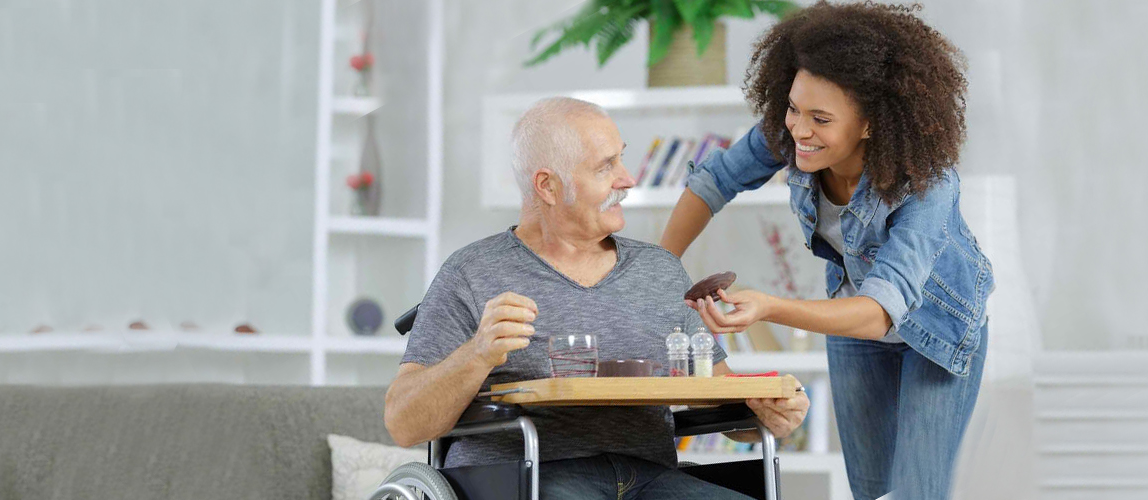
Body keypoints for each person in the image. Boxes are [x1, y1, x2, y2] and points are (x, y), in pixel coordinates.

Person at [382, 97, 810, 499]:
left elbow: (718, 398)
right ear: (548, 187)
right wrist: (476, 354)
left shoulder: (659, 271)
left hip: (651, 475)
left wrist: (764, 417)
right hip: (529, 474)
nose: (628, 179)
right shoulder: (472, 273)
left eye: (621, 158)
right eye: (607, 166)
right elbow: (403, 423)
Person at [659, 3, 992, 499]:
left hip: (935, 332)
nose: (799, 129)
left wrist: (768, 307)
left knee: (916, 493)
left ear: (870, 124)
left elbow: (881, 312)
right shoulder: (791, 132)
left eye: (820, 118)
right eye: (794, 107)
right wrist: (656, 268)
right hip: (851, 325)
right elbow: (714, 181)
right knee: (871, 492)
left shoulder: (929, 186)